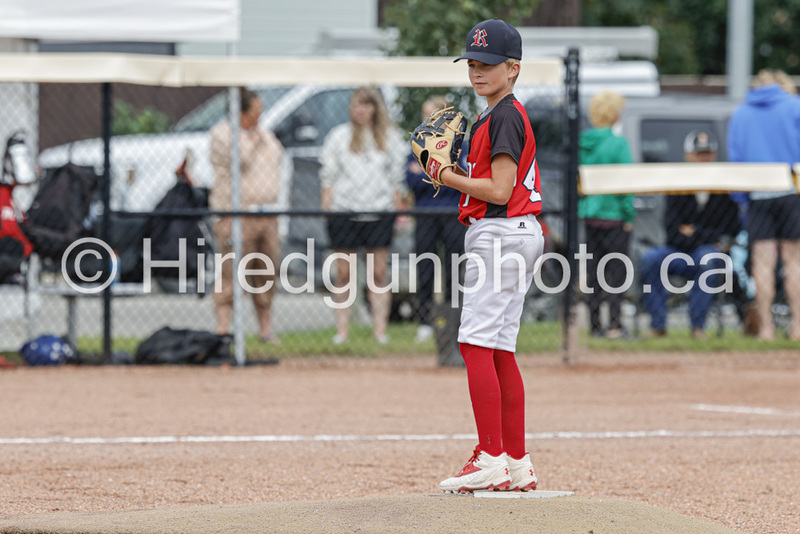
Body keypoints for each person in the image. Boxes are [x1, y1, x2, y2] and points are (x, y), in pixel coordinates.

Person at [430, 18, 545, 493]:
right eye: (473, 64)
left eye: (489, 64)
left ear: (513, 68)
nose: (478, 72)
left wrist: (446, 175)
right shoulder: (499, 114)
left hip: (500, 233)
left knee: (475, 343)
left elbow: (499, 188)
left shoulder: (503, 116)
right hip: (515, 232)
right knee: (499, 348)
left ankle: (490, 456)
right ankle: (516, 462)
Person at [320, 87, 406, 345]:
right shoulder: (339, 137)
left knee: (378, 273)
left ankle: (380, 331)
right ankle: (342, 331)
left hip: (379, 211)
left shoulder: (390, 138)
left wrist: (398, 209)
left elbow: (396, 180)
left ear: (375, 108)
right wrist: (327, 209)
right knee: (344, 274)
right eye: (357, 105)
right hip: (344, 211)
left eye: (367, 105)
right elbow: (328, 176)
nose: (361, 110)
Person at [641, 130, 740, 339]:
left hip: (705, 253)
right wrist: (705, 235)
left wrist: (694, 232)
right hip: (677, 251)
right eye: (698, 154)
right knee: (651, 259)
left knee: (708, 259)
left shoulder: (723, 190)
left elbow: (729, 229)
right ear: (688, 156)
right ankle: (658, 325)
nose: (703, 159)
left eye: (707, 154)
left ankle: (698, 327)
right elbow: (671, 231)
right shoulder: (678, 186)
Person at [727, 69, 800, 340]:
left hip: (758, 194)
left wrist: (741, 198)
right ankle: (797, 327)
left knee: (762, 265)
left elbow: (736, 157)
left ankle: (766, 328)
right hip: (792, 191)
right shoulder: (795, 107)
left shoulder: (742, 113)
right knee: (794, 262)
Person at [209, 88, 284, 344]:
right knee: (231, 275)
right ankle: (222, 332)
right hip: (235, 216)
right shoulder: (222, 134)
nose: (260, 117)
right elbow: (241, 158)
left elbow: (277, 157)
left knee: (266, 275)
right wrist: (252, 143)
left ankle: (265, 330)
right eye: (255, 112)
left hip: (267, 215)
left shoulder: (264, 134)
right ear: (240, 112)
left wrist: (256, 137)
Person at [406, 95, 467, 343]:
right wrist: (443, 172)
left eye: (430, 115)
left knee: (454, 267)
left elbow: (461, 181)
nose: (425, 120)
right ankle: (424, 322)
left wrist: (428, 171)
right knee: (425, 267)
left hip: (453, 213)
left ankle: (454, 319)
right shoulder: (418, 144)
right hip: (425, 214)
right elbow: (412, 182)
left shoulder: (460, 144)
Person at [578, 90, 635, 339]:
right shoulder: (618, 143)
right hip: (613, 217)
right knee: (616, 272)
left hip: (590, 216)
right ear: (613, 114)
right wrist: (629, 216)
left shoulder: (583, 143)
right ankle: (614, 324)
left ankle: (594, 325)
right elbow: (625, 184)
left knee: (593, 272)